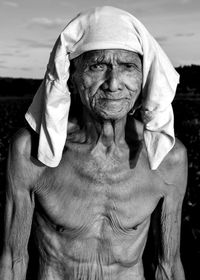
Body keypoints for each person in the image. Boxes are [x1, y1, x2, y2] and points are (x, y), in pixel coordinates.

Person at [0, 6, 187, 280]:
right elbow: (14, 260)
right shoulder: (31, 151)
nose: (113, 84)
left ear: (143, 78)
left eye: (128, 67)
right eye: (97, 66)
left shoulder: (168, 159)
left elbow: (168, 266)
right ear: (72, 77)